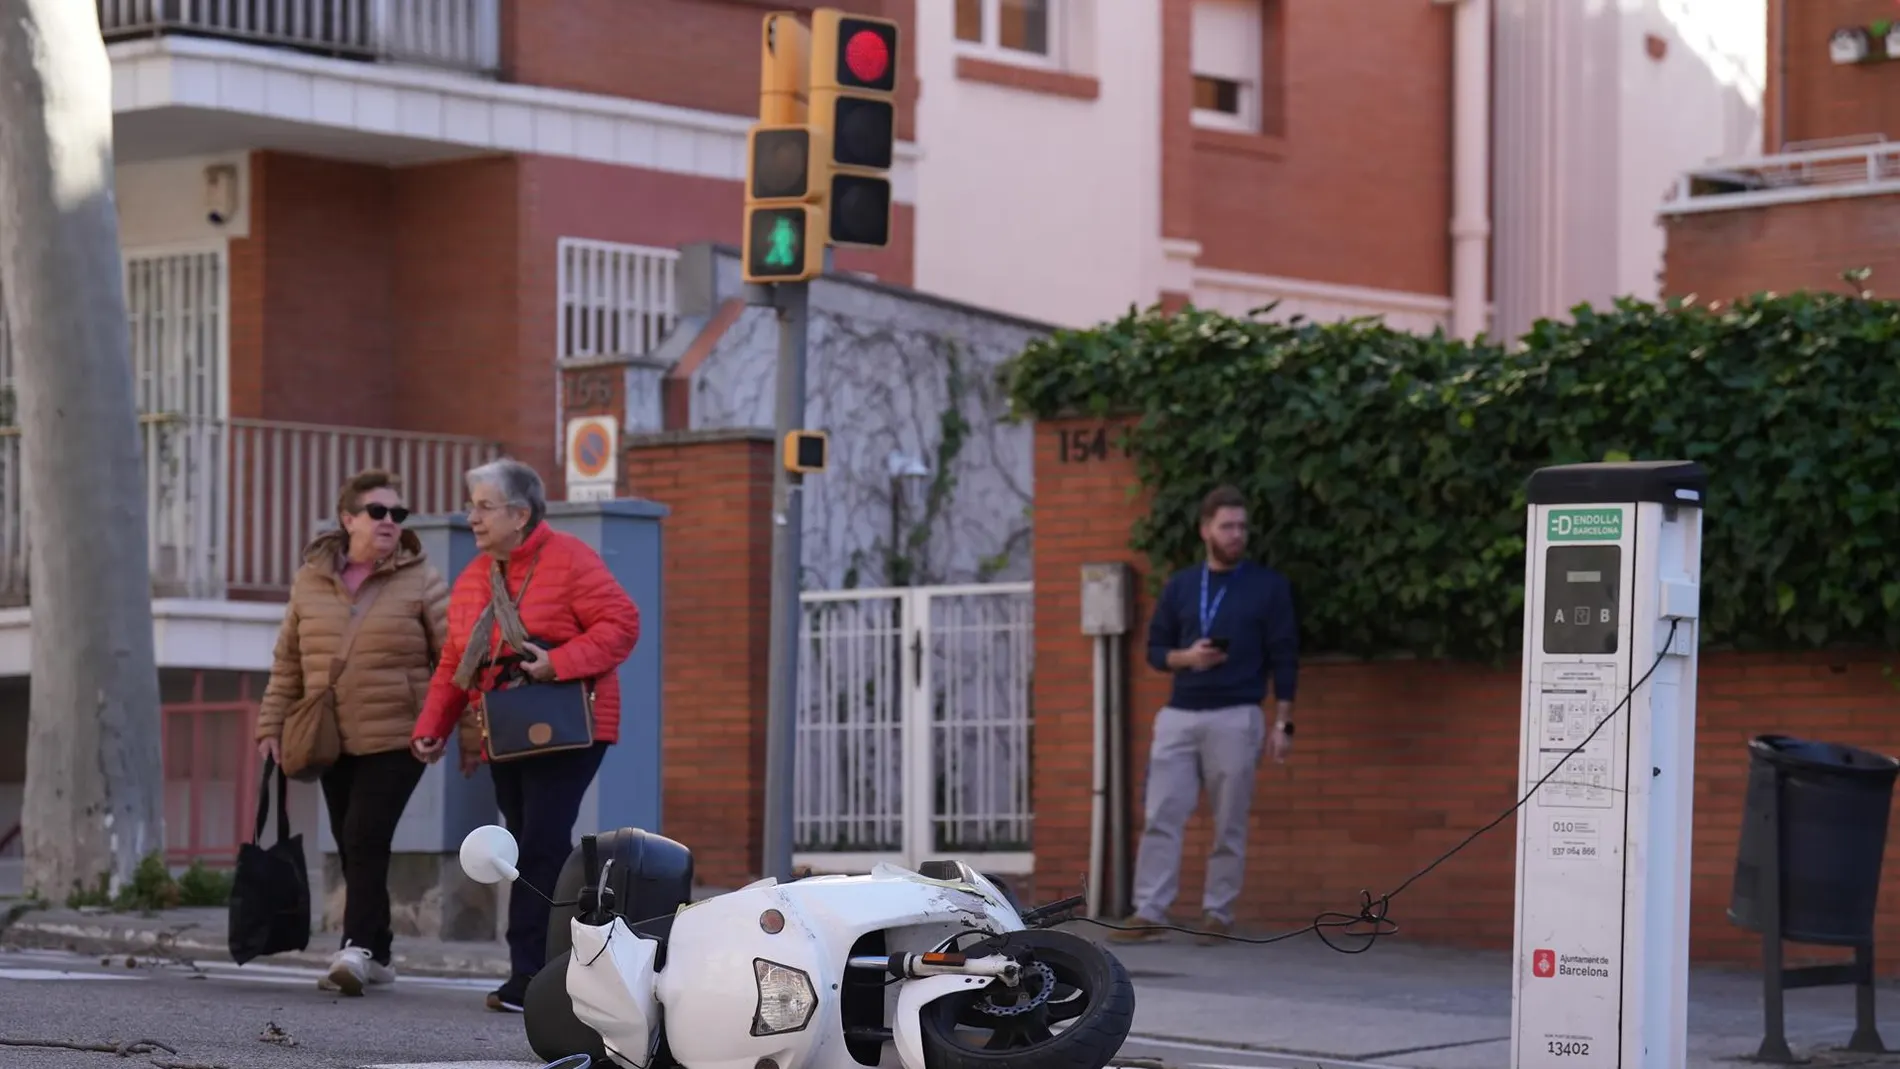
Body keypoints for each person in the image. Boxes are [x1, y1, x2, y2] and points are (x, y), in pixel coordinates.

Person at [409, 458, 642, 1014]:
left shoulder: (570, 559)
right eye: (471, 506)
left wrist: (556, 662)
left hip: (571, 727)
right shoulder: (476, 576)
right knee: (521, 843)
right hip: (506, 729)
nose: (472, 517)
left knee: (539, 841)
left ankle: (532, 972)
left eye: (483, 506)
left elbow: (622, 624)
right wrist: (431, 728)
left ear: (520, 512)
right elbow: (454, 662)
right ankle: (571, 958)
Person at [255, 469, 451, 996]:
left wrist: (451, 728)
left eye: (398, 514)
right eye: (378, 512)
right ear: (348, 519)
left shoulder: (420, 578)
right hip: (329, 734)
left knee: (366, 834)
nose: (390, 522)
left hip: (398, 735)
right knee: (350, 840)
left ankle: (357, 947)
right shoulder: (311, 579)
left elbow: (451, 658)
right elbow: (288, 662)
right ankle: (381, 948)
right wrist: (271, 723)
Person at [1112, 485, 1299, 944]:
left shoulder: (1267, 587)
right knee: (1161, 814)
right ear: (1205, 530)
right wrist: (1187, 658)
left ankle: (1219, 914)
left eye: (1242, 526)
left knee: (1228, 820)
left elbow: (1285, 655)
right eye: (1227, 526)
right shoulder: (1180, 586)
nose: (1237, 534)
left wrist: (1284, 723)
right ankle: (1150, 910)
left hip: (1238, 715)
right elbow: (1156, 651)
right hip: (1179, 715)